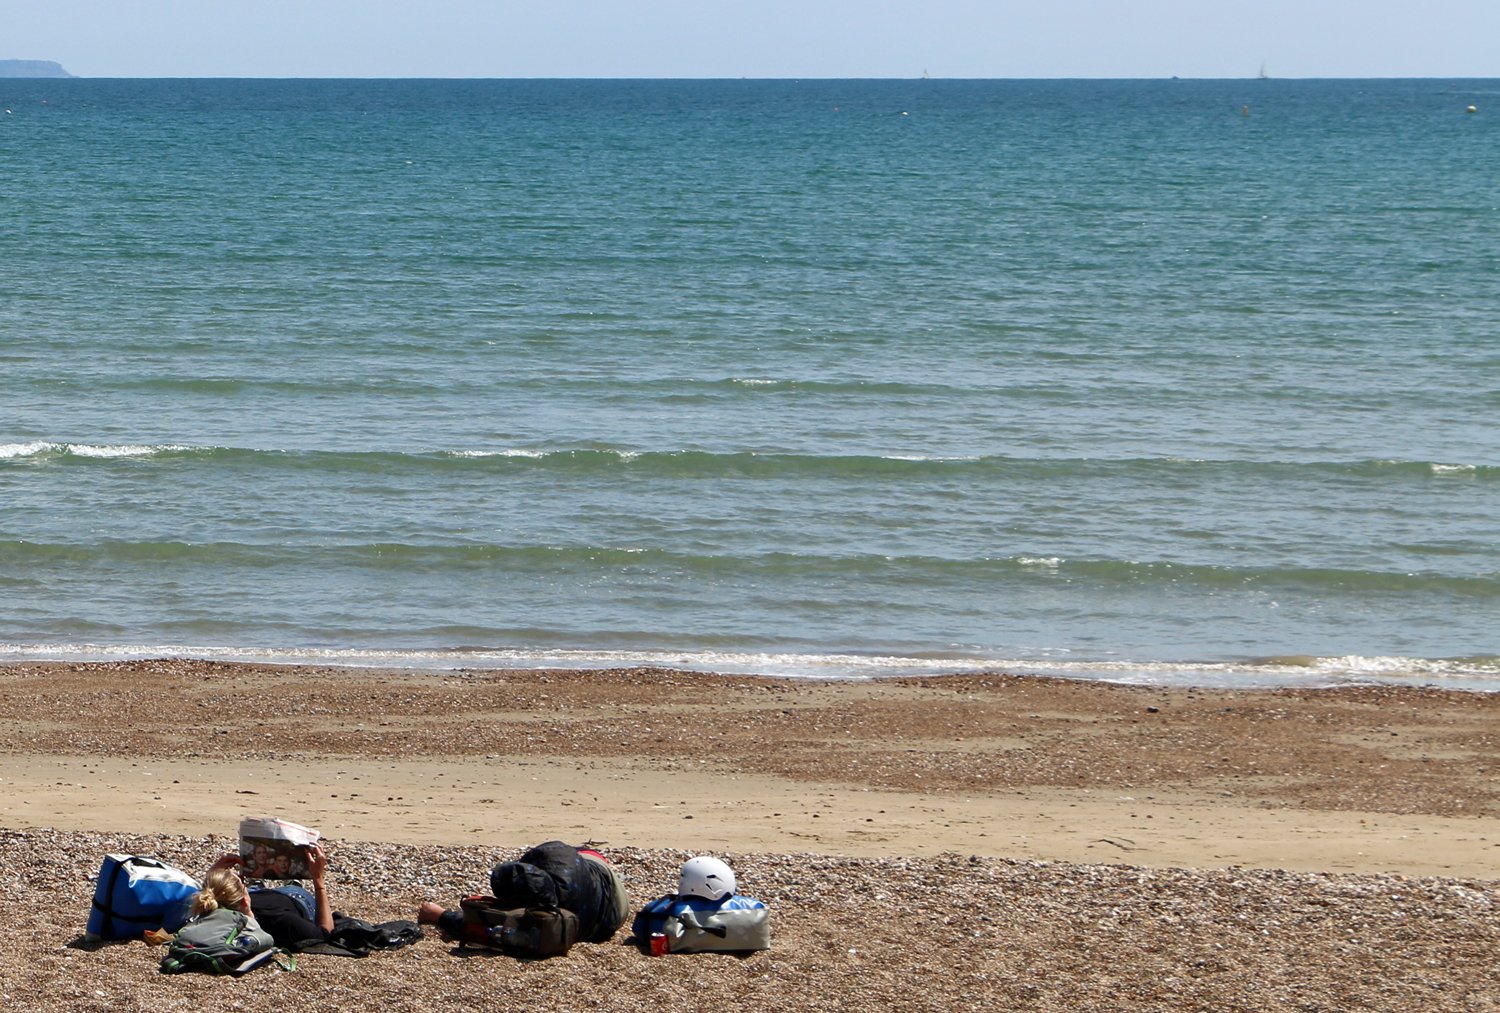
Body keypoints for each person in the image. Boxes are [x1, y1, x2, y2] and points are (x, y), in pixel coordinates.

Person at [418, 840, 629, 946]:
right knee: (583, 853)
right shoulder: (556, 853)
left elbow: (489, 928)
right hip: (612, 892)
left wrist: (439, 915)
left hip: (611, 912)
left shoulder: (546, 920)